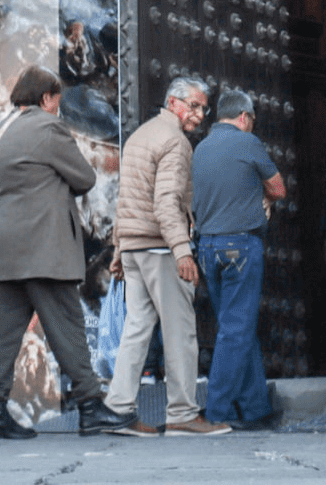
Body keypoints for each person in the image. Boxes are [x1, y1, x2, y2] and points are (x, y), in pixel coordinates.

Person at [0, 67, 117, 441]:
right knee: (68, 327)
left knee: (3, 334)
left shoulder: (1, 130)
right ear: (45, 98)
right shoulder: (48, 127)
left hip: (6, 248)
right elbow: (85, 179)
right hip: (45, 246)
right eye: (56, 100)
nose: (58, 107)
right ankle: (91, 407)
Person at [102, 75, 229, 438]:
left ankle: (118, 409)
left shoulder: (141, 135)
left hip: (134, 245)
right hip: (159, 246)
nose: (200, 114)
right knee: (180, 331)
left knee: (137, 329)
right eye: (194, 105)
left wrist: (118, 248)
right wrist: (182, 250)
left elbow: (127, 198)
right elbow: (165, 203)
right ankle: (183, 413)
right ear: (174, 102)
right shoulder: (175, 141)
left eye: (203, 108)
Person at [191, 89, 285, 431]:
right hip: (240, 247)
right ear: (244, 117)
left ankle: (255, 407)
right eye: (252, 120)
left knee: (237, 327)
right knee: (236, 330)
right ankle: (216, 410)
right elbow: (278, 188)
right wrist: (263, 196)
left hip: (207, 248)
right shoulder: (248, 143)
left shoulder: (199, 148)